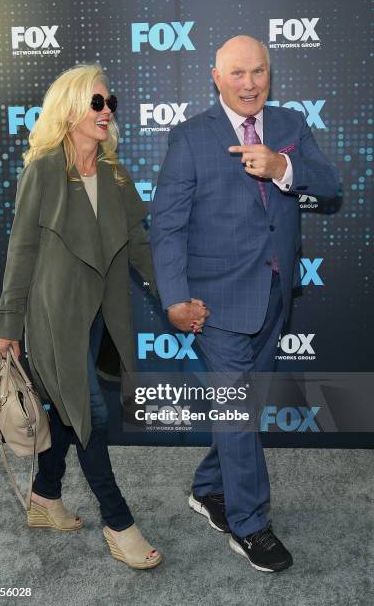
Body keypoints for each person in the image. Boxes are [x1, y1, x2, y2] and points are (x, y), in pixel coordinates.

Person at [150, 35, 339, 572]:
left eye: (259, 72)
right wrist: (175, 299)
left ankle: (209, 487)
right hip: (216, 307)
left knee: (245, 410)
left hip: (276, 299)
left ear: (269, 74)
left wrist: (282, 166)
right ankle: (249, 524)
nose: (250, 83)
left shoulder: (289, 127)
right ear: (216, 76)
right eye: (238, 73)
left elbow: (330, 186)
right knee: (237, 414)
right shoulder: (189, 138)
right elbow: (165, 227)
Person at [0, 63, 162, 569]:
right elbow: (21, 253)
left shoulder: (113, 172)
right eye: (97, 103)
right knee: (92, 415)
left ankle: (44, 497)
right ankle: (118, 520)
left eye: (110, 104)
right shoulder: (42, 169)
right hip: (53, 315)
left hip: (99, 315)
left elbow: (140, 246)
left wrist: (170, 295)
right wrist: (8, 324)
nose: (107, 112)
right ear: (70, 109)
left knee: (66, 409)